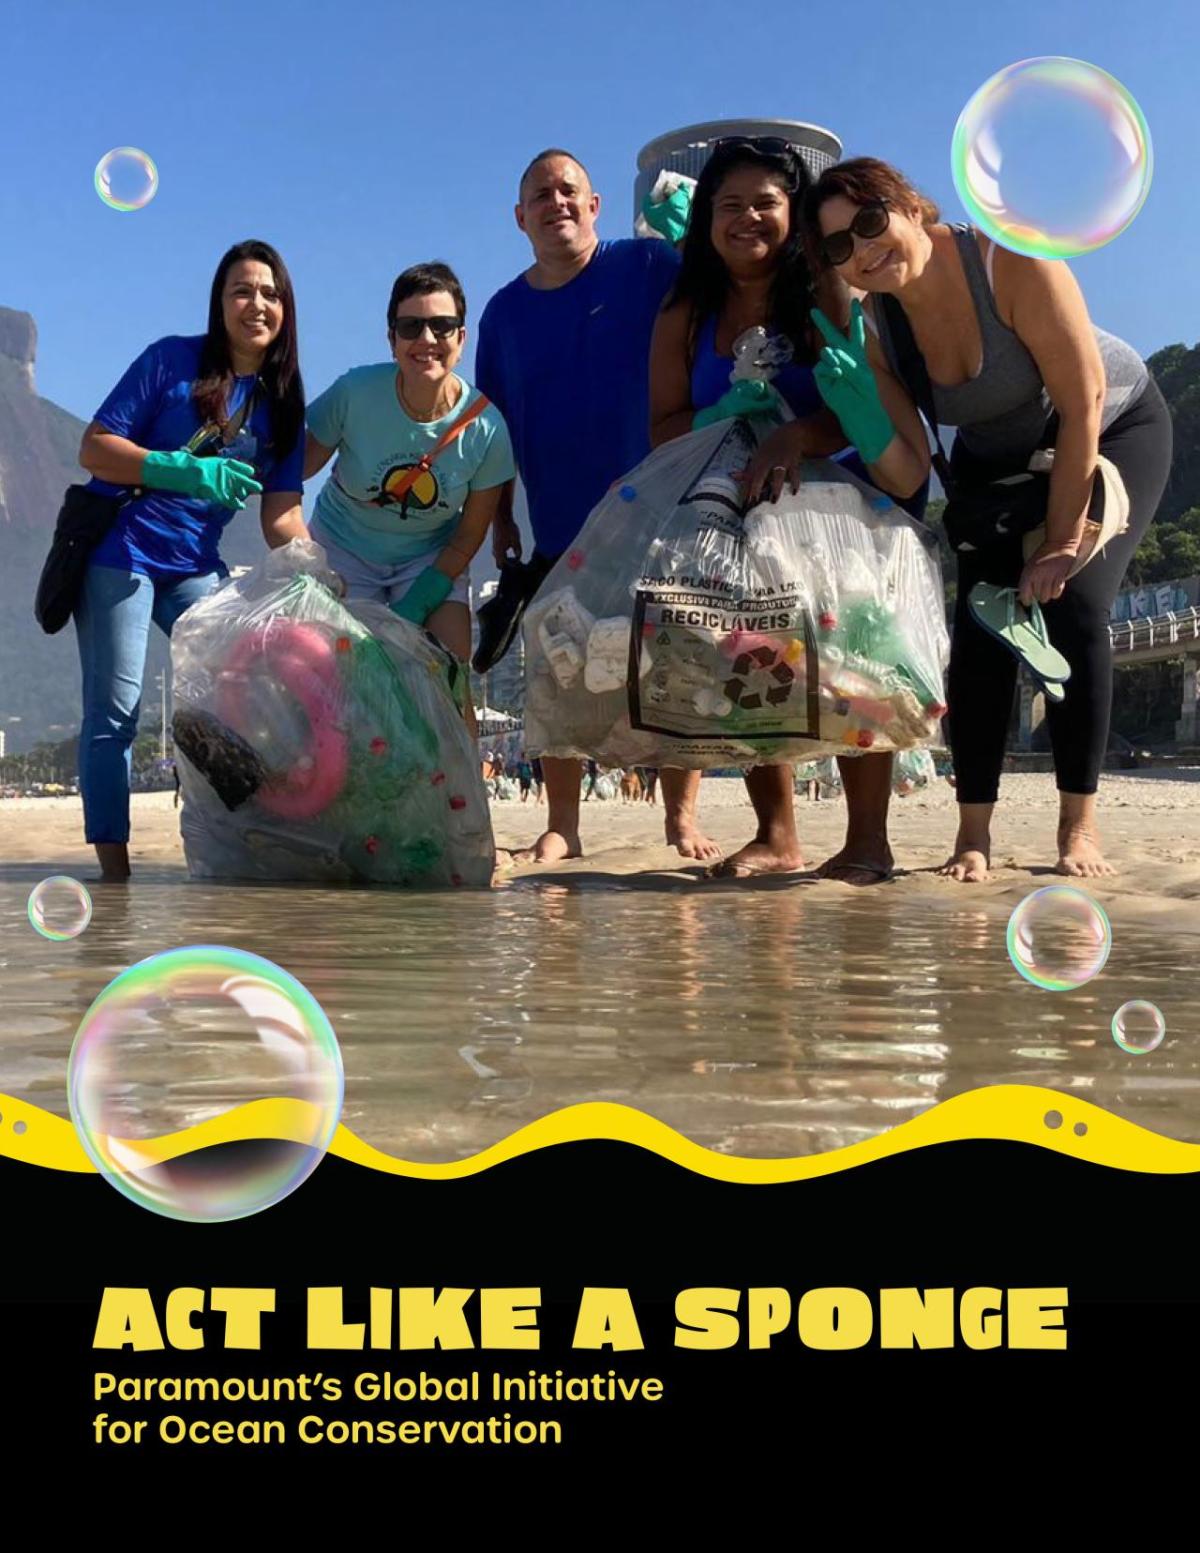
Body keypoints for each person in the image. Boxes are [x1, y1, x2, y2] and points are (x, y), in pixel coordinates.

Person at [804, 157, 1172, 879]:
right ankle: (973, 835)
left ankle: (1078, 827)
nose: (864, 251)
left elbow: (1082, 401)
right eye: (841, 247)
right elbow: (910, 471)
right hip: (991, 463)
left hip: (1106, 425)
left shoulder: (1008, 258)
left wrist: (1064, 541)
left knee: (1073, 610)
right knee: (978, 632)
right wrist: (865, 417)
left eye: (871, 222)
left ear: (910, 205)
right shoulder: (876, 327)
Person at [648, 138, 931, 881]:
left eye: (766, 203)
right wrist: (729, 419)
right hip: (730, 509)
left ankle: (868, 837)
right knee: (743, 657)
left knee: (854, 656)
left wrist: (795, 433)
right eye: (730, 204)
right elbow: (664, 425)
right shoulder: (685, 308)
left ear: (793, 214)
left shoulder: (826, 288)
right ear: (707, 218)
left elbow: (863, 405)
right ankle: (777, 832)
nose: (748, 218)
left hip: (832, 507)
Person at [475, 148, 716, 865]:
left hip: (662, 507)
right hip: (560, 522)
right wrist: (499, 518)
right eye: (541, 195)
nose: (557, 203)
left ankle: (681, 817)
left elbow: (716, 298)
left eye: (569, 190)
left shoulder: (647, 268)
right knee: (560, 671)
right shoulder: (502, 314)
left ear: (596, 204)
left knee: (676, 664)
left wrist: (687, 235)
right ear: (520, 218)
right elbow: (493, 429)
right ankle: (563, 824)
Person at [75, 239, 309, 882]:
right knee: (115, 711)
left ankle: (242, 841)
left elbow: (281, 513)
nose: (255, 303)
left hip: (195, 566)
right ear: (220, 302)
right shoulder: (170, 362)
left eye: (269, 292)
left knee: (245, 695)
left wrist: (315, 573)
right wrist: (180, 468)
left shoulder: (283, 401)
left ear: (286, 308)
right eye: (241, 290)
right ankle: (114, 876)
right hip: (121, 554)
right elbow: (93, 449)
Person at [304, 262, 514, 730]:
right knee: (339, 689)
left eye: (441, 326)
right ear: (391, 339)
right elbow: (291, 470)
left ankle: (462, 798)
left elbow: (466, 540)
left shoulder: (486, 430)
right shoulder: (355, 392)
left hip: (430, 559)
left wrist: (419, 602)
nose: (426, 339)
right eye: (410, 326)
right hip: (342, 551)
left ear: (461, 339)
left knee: (449, 678)